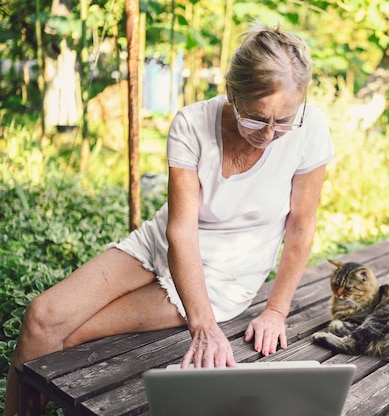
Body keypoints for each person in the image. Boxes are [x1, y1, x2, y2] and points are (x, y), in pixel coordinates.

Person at [4, 22, 333, 415]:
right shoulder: (192, 123)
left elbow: (300, 226)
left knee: (73, 335)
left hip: (222, 278)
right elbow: (180, 231)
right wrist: (203, 328)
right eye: (257, 118)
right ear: (232, 94)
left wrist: (275, 311)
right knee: (42, 318)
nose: (269, 133)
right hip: (163, 243)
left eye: (283, 121)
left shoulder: (310, 129)